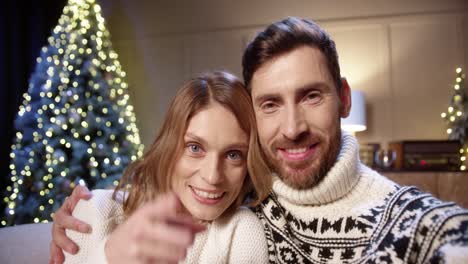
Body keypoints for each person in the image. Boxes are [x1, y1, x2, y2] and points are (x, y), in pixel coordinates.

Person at [51, 17, 468, 263]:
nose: (291, 127)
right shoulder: (252, 200)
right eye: (270, 104)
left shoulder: (425, 226)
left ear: (342, 98)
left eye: (311, 96)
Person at [57, 71, 270, 263]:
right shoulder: (95, 211)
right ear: (168, 147)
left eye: (233, 155)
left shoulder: (242, 231)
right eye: (195, 148)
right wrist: (108, 258)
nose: (213, 176)